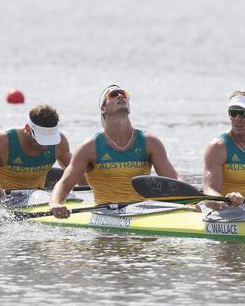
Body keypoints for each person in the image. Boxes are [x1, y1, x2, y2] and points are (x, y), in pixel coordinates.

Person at [49, 85, 180, 218]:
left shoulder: (150, 142)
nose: (120, 96)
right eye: (113, 94)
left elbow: (174, 179)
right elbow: (64, 184)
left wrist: (191, 201)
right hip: (106, 213)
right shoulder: (89, 148)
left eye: (123, 93)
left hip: (143, 211)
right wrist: (55, 203)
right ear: (103, 108)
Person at [0, 104, 81, 198]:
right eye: (41, 140)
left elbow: (78, 173)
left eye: (49, 140)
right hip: (5, 199)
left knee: (70, 196)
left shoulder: (60, 142)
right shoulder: (1, 142)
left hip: (38, 198)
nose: (46, 146)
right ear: (27, 129)